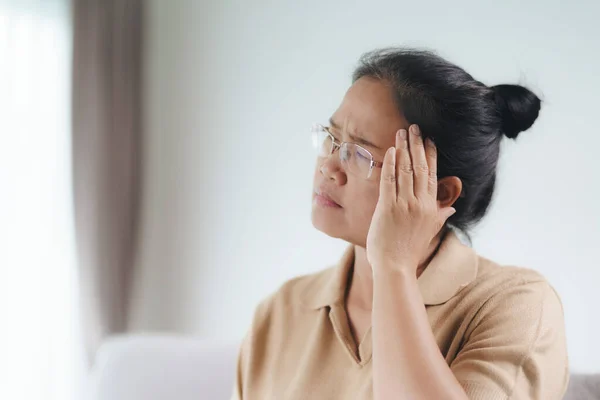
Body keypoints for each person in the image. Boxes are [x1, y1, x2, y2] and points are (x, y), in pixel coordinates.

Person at [230, 48, 569, 400]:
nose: (329, 166)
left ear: (439, 194)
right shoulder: (281, 311)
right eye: (331, 138)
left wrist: (393, 266)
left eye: (360, 154)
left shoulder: (516, 305)